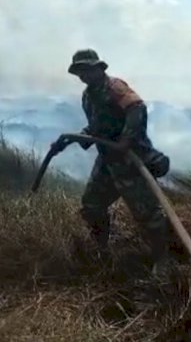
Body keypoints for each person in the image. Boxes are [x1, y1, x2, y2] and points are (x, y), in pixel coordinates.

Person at [52, 48, 173, 276]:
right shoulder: (88, 96)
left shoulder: (115, 87)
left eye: (87, 69)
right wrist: (78, 138)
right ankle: (102, 249)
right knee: (92, 205)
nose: (84, 75)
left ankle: (162, 258)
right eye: (80, 71)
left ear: (99, 68)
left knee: (147, 214)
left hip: (131, 161)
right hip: (108, 161)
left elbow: (137, 108)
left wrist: (126, 141)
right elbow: (98, 125)